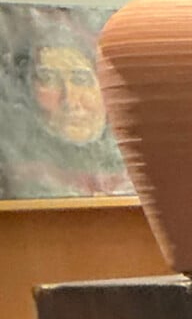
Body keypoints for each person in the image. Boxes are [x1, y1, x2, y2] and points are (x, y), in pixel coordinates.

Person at [1, 15, 131, 198]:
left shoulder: (138, 176)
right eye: (48, 79)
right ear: (27, 89)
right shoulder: (18, 177)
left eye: (81, 79)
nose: (69, 100)